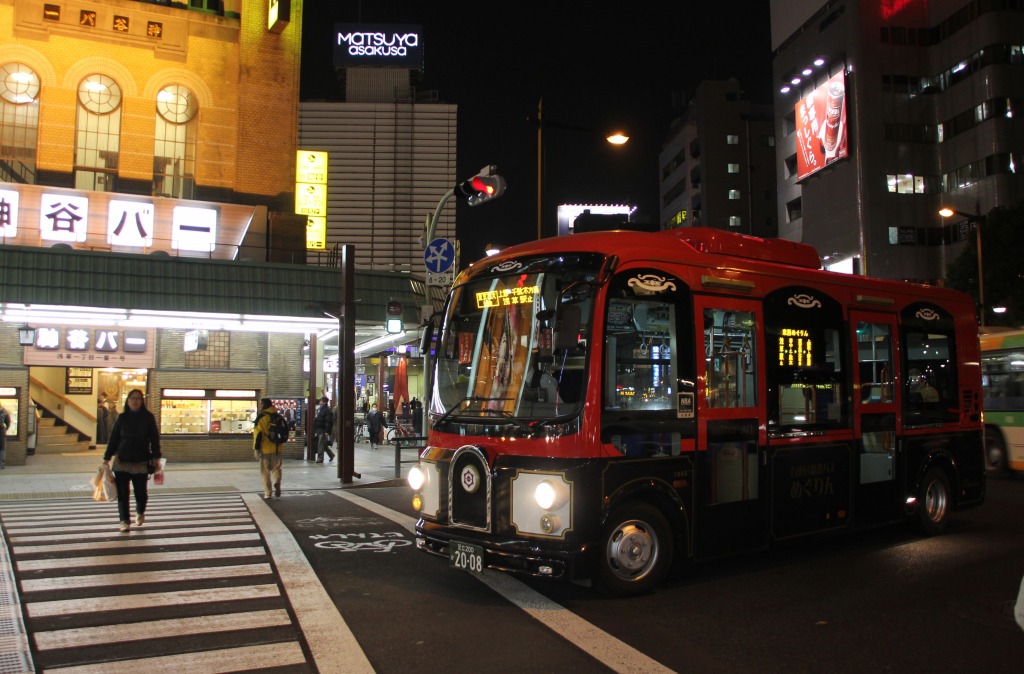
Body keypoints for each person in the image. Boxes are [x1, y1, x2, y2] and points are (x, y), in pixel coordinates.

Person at [102, 389, 161, 533]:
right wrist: (106, 458)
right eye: (132, 398)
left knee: (141, 493)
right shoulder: (122, 418)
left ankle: (140, 512)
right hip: (122, 461)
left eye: (138, 398)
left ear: (142, 401)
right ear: (128, 401)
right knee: (123, 493)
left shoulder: (148, 418)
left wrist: (156, 456)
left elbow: (154, 439)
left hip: (141, 462)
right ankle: (124, 521)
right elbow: (114, 438)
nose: (135, 401)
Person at [253, 397, 284, 498]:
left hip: (265, 448)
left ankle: (268, 493)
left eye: (260, 404)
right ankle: (277, 482)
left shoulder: (261, 418)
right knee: (276, 468)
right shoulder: (278, 416)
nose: (259, 406)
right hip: (277, 448)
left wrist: (256, 449)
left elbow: (258, 435)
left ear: (264, 405)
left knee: (265, 472)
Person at [313, 396, 336, 464]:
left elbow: (328, 422)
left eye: (321, 400)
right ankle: (331, 455)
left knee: (320, 444)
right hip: (319, 429)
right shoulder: (321, 409)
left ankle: (320, 458)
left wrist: (326, 431)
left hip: (323, 430)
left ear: (324, 402)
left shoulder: (327, 410)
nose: (320, 401)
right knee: (323, 444)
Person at [0, 403, 11, 469]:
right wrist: (4, 429)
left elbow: (7, 424)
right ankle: (1, 464)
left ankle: (1, 464)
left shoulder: (5, 413)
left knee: (2, 449)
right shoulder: (5, 412)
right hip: (2, 433)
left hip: (2, 434)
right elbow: (8, 423)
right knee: (2, 449)